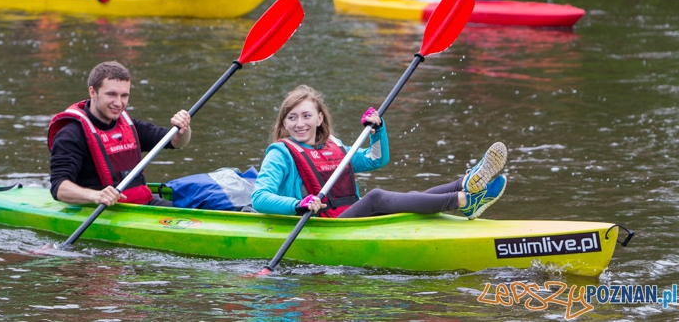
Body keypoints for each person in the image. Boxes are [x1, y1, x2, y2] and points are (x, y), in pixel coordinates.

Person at [251, 85, 507, 219]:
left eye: (306, 116)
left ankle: (463, 184)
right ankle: (464, 200)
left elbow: (376, 159)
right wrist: (298, 204)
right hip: (322, 224)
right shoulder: (280, 153)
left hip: (349, 214)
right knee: (376, 198)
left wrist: (378, 131)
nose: (299, 124)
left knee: (409, 200)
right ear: (284, 123)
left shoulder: (334, 145)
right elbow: (259, 198)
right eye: (292, 118)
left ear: (319, 118)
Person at [48, 61, 192, 207]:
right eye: (111, 94)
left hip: (141, 205)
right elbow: (59, 188)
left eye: (124, 95)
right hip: (101, 210)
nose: (118, 103)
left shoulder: (129, 125)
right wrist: (96, 195)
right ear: (93, 92)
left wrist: (183, 128)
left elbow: (177, 142)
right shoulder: (71, 134)